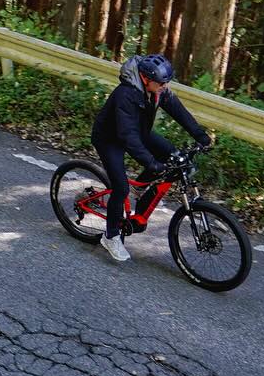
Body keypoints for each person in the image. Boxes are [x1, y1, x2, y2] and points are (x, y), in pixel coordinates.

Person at [90, 53, 211, 263]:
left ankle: (140, 188)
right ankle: (110, 237)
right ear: (146, 79)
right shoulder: (125, 95)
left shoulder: (157, 90)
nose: (166, 86)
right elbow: (127, 137)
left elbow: (179, 111)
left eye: (167, 82)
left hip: (138, 132)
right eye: (162, 83)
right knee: (120, 188)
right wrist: (151, 163)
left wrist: (200, 136)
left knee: (173, 156)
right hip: (110, 139)